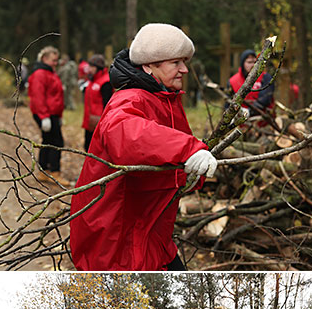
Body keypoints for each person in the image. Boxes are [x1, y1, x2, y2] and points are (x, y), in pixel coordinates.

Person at [70, 22, 217, 271]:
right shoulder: (130, 99)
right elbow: (127, 136)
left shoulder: (166, 99)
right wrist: (188, 149)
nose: (185, 69)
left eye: (184, 61)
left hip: (151, 236)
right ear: (149, 65)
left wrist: (192, 174)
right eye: (175, 63)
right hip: (119, 243)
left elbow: (163, 163)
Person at [27, 46, 66, 181]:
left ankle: (44, 171)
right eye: (53, 60)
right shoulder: (40, 74)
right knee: (57, 142)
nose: (55, 63)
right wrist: (44, 117)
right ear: (44, 59)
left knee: (48, 140)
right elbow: (38, 96)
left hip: (52, 113)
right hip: (46, 114)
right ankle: (54, 172)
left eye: (56, 60)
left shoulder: (50, 72)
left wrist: (59, 116)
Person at [227, 48, 275, 126]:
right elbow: (228, 103)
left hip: (263, 122)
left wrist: (249, 111)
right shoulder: (232, 81)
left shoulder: (265, 78)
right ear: (243, 63)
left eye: (254, 62)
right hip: (240, 125)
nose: (252, 65)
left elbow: (266, 99)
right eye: (249, 62)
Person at [82, 54, 112, 151]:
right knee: (87, 148)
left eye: (92, 67)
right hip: (90, 122)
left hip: (98, 123)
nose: (89, 69)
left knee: (97, 150)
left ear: (98, 68)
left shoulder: (105, 82)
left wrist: (103, 123)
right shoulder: (92, 80)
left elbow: (107, 104)